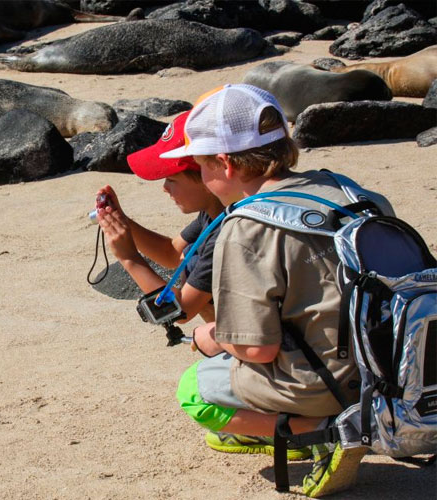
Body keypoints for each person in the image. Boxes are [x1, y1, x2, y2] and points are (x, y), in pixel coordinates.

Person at [161, 84, 393, 497]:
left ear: (226, 163)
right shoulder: (351, 192)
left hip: (326, 382)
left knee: (196, 391)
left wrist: (209, 338)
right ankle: (361, 416)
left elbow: (257, 350)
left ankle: (326, 430)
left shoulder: (246, 227)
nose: (205, 179)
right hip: (390, 370)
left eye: (202, 167)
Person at [94, 110, 224, 323]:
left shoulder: (226, 231)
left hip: (260, 345)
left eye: (172, 179)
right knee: (187, 253)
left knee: (191, 256)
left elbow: (181, 310)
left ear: (208, 176)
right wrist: (123, 222)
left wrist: (129, 258)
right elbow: (171, 252)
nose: (165, 188)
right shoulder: (213, 212)